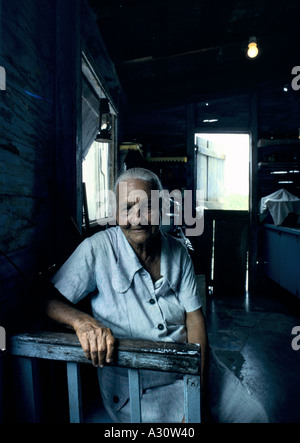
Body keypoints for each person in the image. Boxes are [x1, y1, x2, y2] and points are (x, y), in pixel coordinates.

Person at [46, 167, 208, 423]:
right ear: (115, 212)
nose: (138, 218)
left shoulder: (177, 250)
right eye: (127, 208)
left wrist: (197, 384)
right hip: (136, 387)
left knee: (253, 414)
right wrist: (82, 321)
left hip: (189, 369)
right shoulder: (97, 248)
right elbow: (48, 301)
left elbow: (195, 319)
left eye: (148, 206)